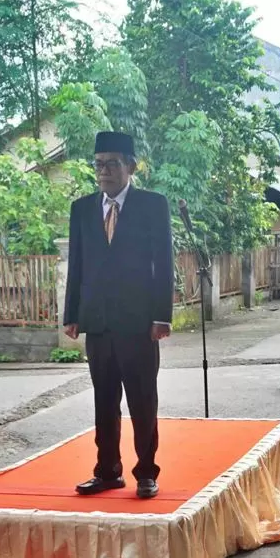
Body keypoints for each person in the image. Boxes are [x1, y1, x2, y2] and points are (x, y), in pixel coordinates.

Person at [63, 131, 173, 500]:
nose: (104, 171)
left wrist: (162, 316)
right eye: (99, 164)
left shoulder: (152, 205)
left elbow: (163, 264)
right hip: (98, 322)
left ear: (131, 166)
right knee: (104, 400)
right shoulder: (82, 208)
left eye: (112, 163)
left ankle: (146, 472)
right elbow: (76, 264)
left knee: (143, 400)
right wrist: (72, 313)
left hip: (139, 323)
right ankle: (107, 470)